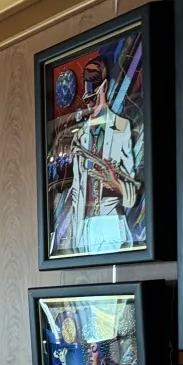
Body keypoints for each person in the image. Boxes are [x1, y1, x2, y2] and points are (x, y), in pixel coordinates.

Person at [49, 52, 141, 257]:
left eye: (93, 98)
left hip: (112, 224)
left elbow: (132, 196)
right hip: (85, 230)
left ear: (104, 87)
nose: (89, 105)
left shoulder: (121, 128)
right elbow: (77, 190)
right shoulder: (80, 135)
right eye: (86, 99)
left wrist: (115, 184)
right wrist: (74, 234)